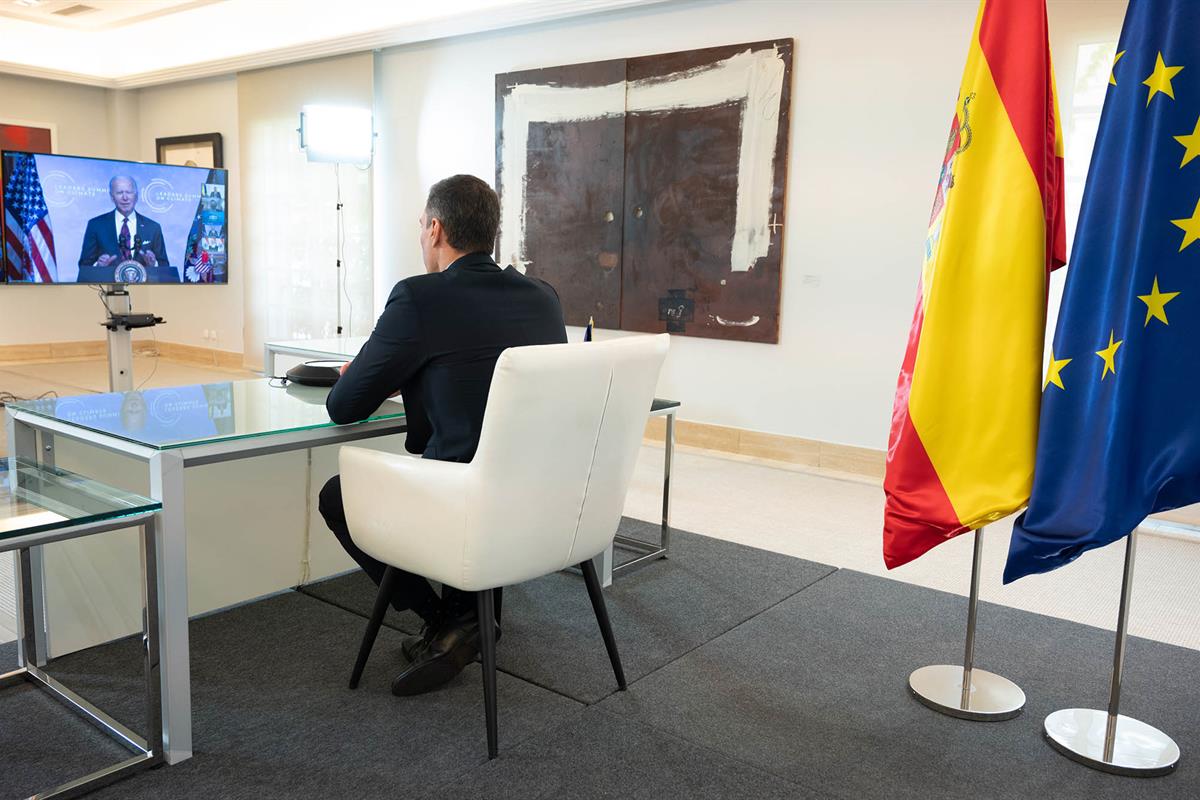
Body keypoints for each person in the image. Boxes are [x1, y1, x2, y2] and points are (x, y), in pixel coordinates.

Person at [319, 174, 567, 696]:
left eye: (420, 227)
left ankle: (448, 622)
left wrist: (371, 372)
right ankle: (464, 620)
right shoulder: (544, 298)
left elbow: (344, 406)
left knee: (338, 496)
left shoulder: (418, 299)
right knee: (468, 459)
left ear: (435, 229)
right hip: (539, 497)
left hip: (459, 498)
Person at [77, 176, 175, 283]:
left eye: (129, 192)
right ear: (112, 197)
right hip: (110, 291)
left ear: (136, 196)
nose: (125, 197)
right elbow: (84, 267)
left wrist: (153, 265)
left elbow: (165, 268)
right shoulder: (96, 225)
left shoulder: (153, 227)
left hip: (146, 293)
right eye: (119, 193)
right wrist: (99, 267)